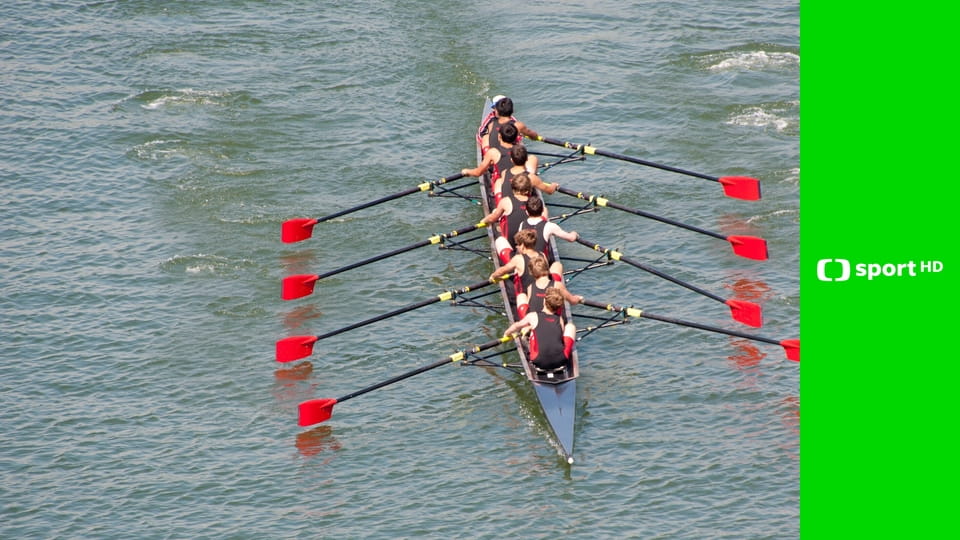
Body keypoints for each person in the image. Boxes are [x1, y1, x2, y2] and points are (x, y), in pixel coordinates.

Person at [503, 288, 576, 372]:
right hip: (560, 362)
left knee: (532, 335)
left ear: (544, 301)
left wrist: (507, 333)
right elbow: (559, 336)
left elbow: (516, 326)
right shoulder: (559, 319)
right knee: (570, 326)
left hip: (538, 361)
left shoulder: (533, 316)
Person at [517, 256, 583, 318]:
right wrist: (578, 298)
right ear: (547, 268)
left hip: (535, 322)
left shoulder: (530, 287)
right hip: (554, 321)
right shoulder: (557, 285)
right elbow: (572, 301)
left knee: (521, 296)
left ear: (531, 273)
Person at [481, 172, 533, 248]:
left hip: (513, 241)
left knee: (496, 212)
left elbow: (493, 218)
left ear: (513, 188)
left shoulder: (505, 201)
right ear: (528, 190)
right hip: (530, 238)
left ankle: (500, 229)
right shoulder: (535, 203)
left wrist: (483, 221)